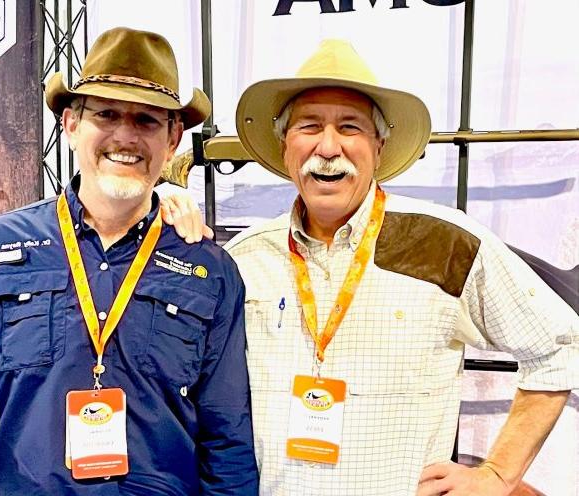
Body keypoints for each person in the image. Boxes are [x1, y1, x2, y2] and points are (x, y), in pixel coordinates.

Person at [0, 27, 259, 495]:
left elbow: (227, 434)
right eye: (106, 114)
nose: (125, 136)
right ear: (71, 124)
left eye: (148, 121)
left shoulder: (208, 269)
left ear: (173, 140)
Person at [222, 39, 579, 495]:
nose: (327, 147)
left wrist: (497, 474)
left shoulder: (445, 243)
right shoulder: (245, 256)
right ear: (285, 142)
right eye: (309, 126)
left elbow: (560, 344)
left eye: (349, 127)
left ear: (378, 143)